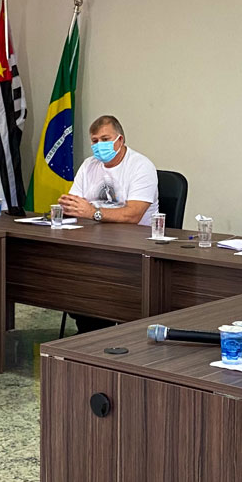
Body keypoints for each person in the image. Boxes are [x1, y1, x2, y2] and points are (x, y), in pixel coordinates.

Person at [57, 115, 160, 333]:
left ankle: (107, 331)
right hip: (94, 244)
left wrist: (92, 212)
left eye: (105, 139)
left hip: (134, 250)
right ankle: (89, 331)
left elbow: (133, 215)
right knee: (70, 275)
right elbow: (75, 205)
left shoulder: (141, 166)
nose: (98, 145)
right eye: (94, 141)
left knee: (100, 287)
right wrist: (67, 206)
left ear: (120, 140)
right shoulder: (89, 165)